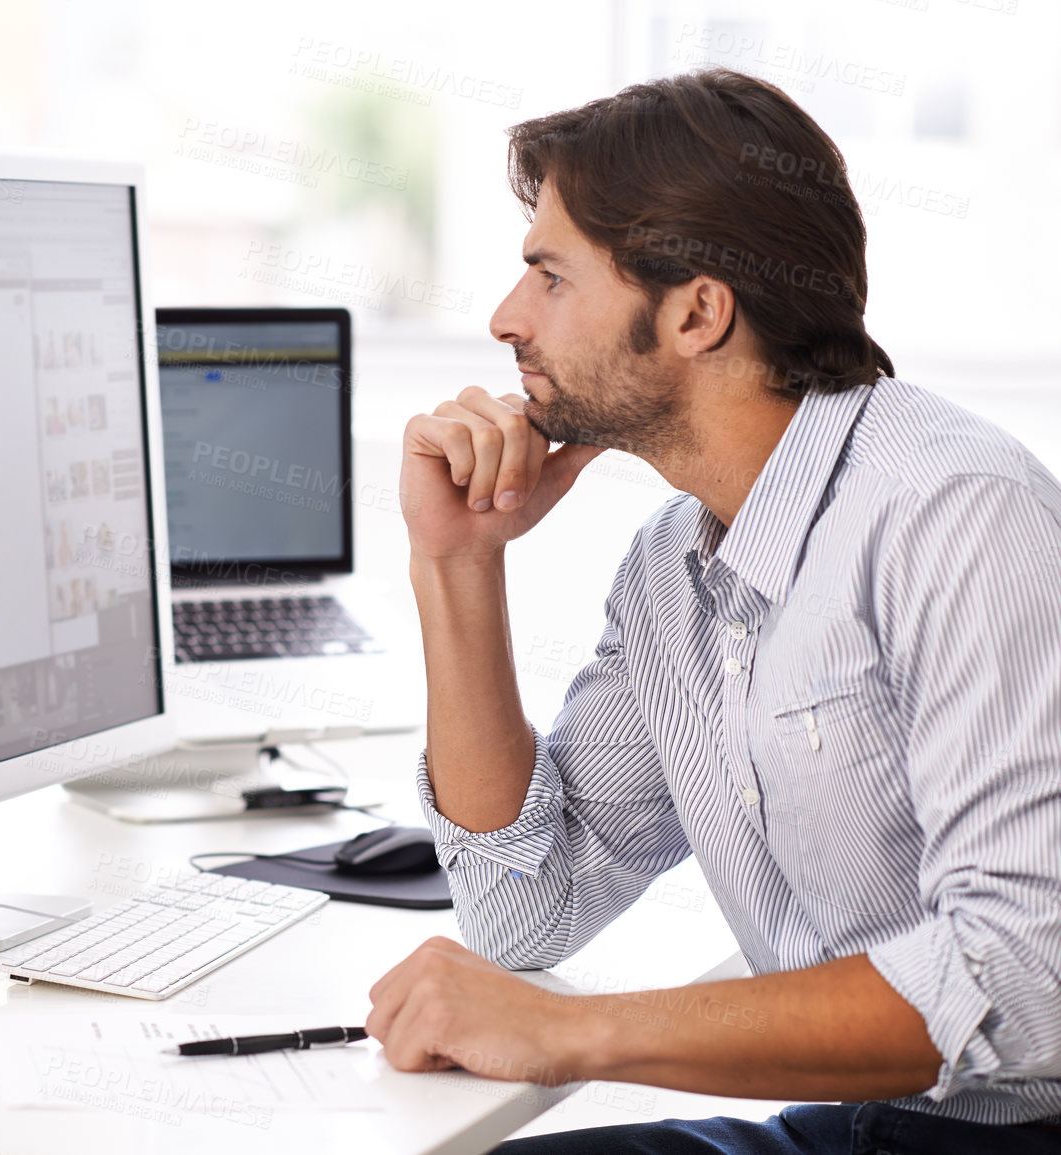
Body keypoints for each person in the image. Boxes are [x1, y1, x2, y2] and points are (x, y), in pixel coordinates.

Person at [366, 67, 1061, 1153]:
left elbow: (1024, 984)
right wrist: (456, 567)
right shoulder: (671, 573)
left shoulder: (957, 513)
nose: (506, 320)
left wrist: (574, 1035)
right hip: (872, 1128)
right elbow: (523, 916)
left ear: (696, 310)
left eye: (549, 277)